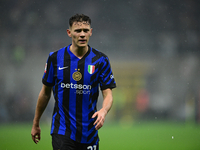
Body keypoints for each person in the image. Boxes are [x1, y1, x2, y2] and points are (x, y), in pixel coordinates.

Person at [31, 14, 116, 150]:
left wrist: (104, 111)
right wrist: (36, 122)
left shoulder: (101, 60)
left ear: (91, 32)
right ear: (69, 33)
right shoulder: (55, 58)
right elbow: (45, 93)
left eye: (85, 30)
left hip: (89, 133)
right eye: (78, 31)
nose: (82, 34)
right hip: (62, 131)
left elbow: (108, 94)